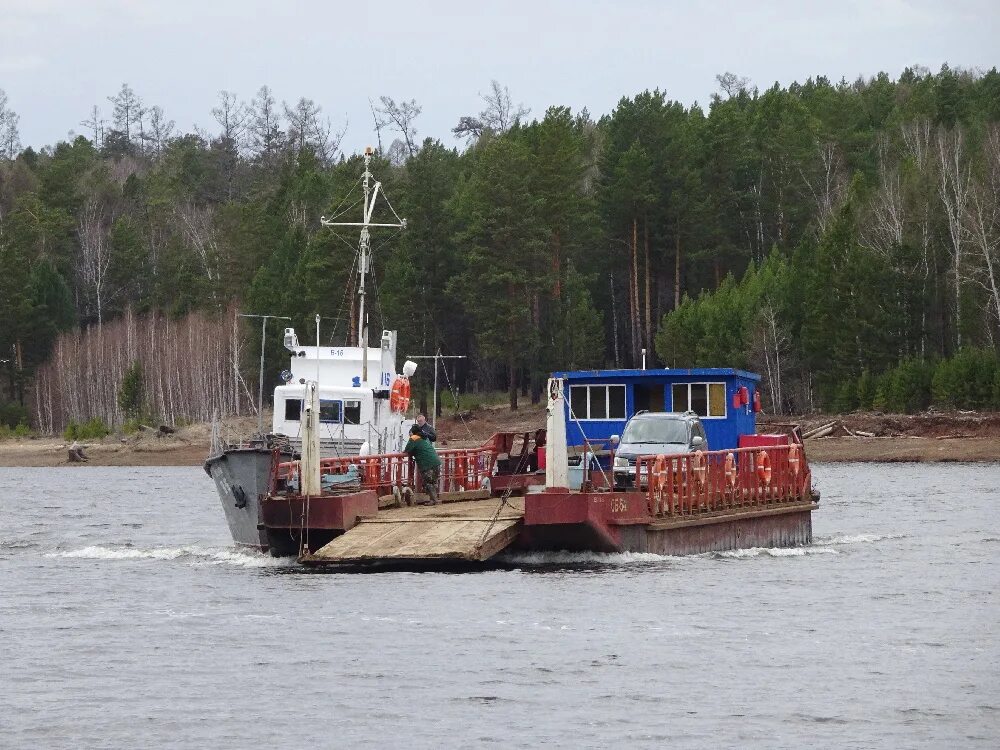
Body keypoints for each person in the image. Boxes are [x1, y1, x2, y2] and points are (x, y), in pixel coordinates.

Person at [404, 424, 441, 505]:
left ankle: (434, 500)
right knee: (434, 481)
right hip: (436, 461)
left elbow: (407, 450)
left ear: (412, 432)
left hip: (427, 463)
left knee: (428, 482)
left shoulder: (413, 438)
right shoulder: (425, 437)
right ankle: (435, 499)